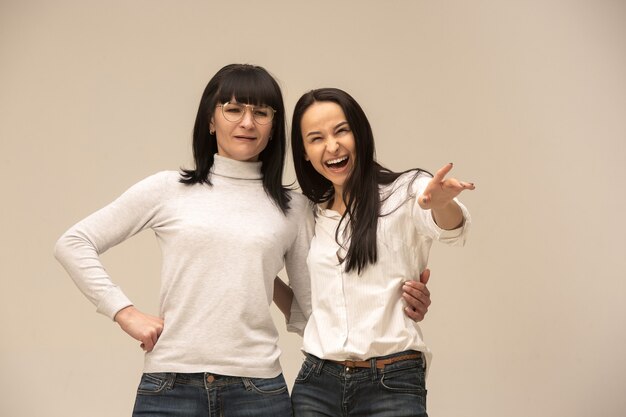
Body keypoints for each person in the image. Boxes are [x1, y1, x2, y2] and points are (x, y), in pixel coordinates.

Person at [54, 65, 432, 417]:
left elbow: (315, 306)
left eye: (262, 113)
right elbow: (74, 243)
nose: (247, 122)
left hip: (258, 393)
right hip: (169, 386)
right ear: (210, 119)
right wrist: (125, 314)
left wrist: (395, 302)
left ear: (273, 127)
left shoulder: (293, 208)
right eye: (233, 109)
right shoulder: (166, 189)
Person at [289, 88, 475, 417]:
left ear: (360, 133)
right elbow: (307, 301)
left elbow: (448, 226)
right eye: (316, 138)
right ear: (304, 152)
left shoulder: (405, 191)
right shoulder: (311, 214)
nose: (332, 146)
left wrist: (442, 204)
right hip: (316, 385)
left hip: (391, 380)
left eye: (341, 131)